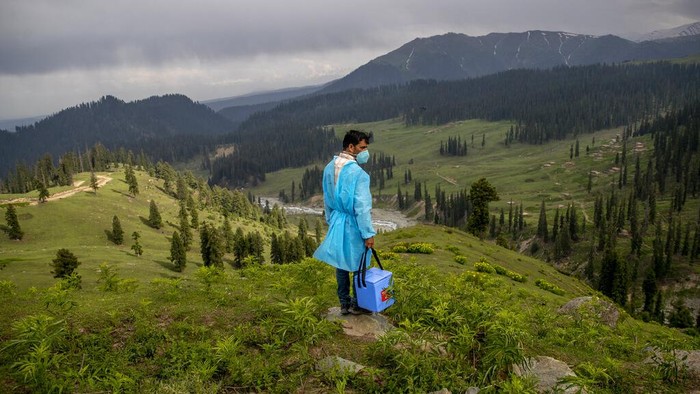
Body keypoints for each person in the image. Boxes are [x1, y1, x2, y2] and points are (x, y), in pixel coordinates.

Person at [313, 130, 376, 315]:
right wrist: (368, 233)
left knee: (341, 262)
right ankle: (358, 303)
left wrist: (331, 220)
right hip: (353, 222)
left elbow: (327, 198)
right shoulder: (359, 174)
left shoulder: (328, 168)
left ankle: (344, 303)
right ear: (351, 147)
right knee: (359, 263)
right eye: (362, 147)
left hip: (337, 220)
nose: (365, 152)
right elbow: (362, 207)